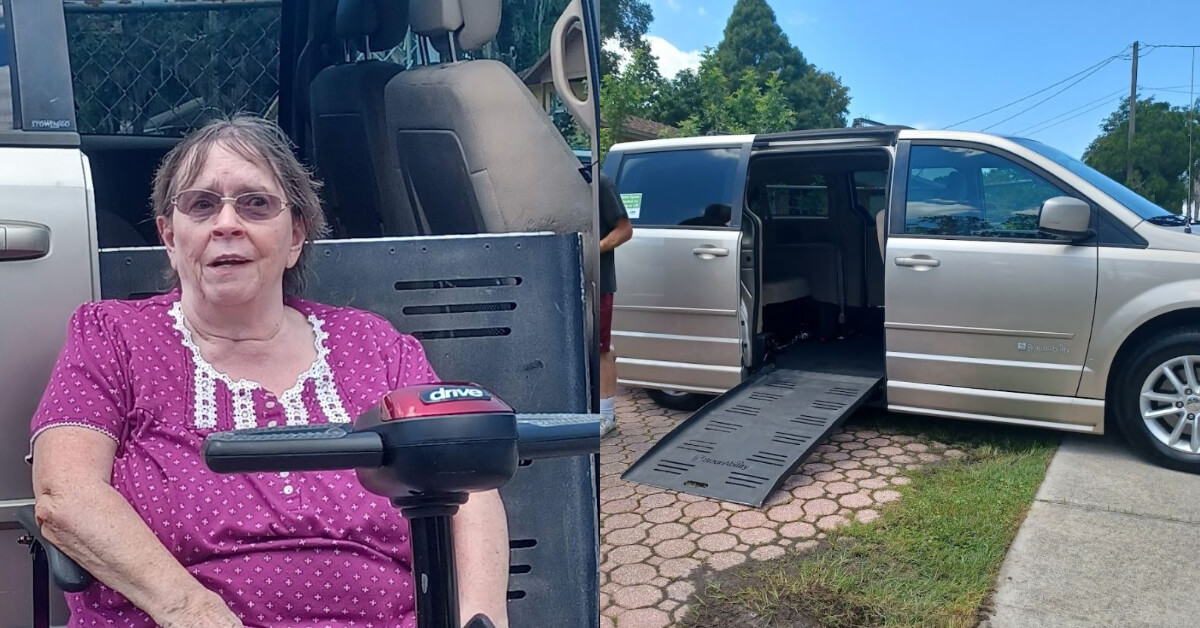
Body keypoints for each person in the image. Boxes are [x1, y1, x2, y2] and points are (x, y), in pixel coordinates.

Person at [26, 115, 510, 628]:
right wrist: (193, 611)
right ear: (170, 236)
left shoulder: (373, 345)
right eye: (202, 204)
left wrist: (480, 618)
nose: (227, 223)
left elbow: (467, 477)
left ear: (296, 234)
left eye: (256, 203)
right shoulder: (113, 336)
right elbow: (66, 495)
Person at [596, 173, 633, 437]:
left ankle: (606, 417)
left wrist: (592, 249)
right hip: (563, 280)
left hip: (598, 282)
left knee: (601, 349)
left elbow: (625, 230)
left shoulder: (600, 183)